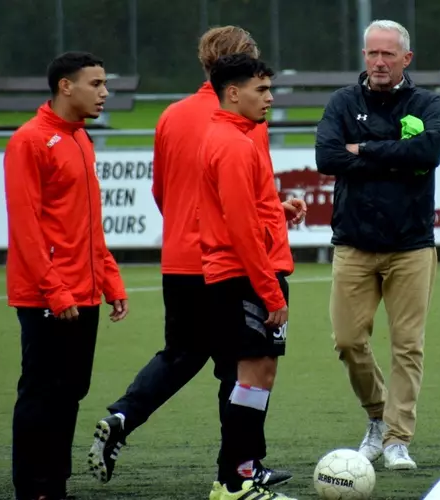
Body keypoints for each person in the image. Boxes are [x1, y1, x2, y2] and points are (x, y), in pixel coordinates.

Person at [87, 26, 304, 491]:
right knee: (244, 367)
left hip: (181, 259)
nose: (265, 90)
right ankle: (240, 471)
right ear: (239, 72)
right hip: (233, 263)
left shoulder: (173, 115)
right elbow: (245, 202)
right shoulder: (243, 120)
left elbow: (161, 191)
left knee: (180, 355)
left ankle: (125, 416)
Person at [314, 20, 440, 471]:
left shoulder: (426, 103)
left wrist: (363, 150)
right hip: (353, 243)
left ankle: (396, 439)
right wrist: (390, 154)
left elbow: (427, 155)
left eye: (388, 54)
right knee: (348, 341)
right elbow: (327, 157)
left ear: (406, 59)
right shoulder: (343, 102)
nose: (379, 62)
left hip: (411, 246)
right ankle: (377, 415)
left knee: (407, 346)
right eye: (373, 53)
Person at [3, 51, 129, 500]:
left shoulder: (80, 139)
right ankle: (32, 488)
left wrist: (109, 279)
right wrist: (55, 290)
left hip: (84, 292)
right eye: (96, 83)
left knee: (71, 391)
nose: (104, 92)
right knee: (41, 393)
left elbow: (88, 224)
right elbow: (27, 227)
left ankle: (54, 485)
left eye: (104, 83)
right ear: (65, 87)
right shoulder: (29, 141)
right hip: (46, 297)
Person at [199, 53, 296, 500]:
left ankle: (241, 472)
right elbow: (239, 227)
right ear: (232, 92)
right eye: (261, 90)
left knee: (259, 374)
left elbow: (246, 213)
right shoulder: (234, 143)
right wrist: (270, 290)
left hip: (245, 274)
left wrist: (277, 211)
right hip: (245, 277)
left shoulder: (236, 136)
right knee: (253, 376)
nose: (270, 98)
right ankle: (236, 480)